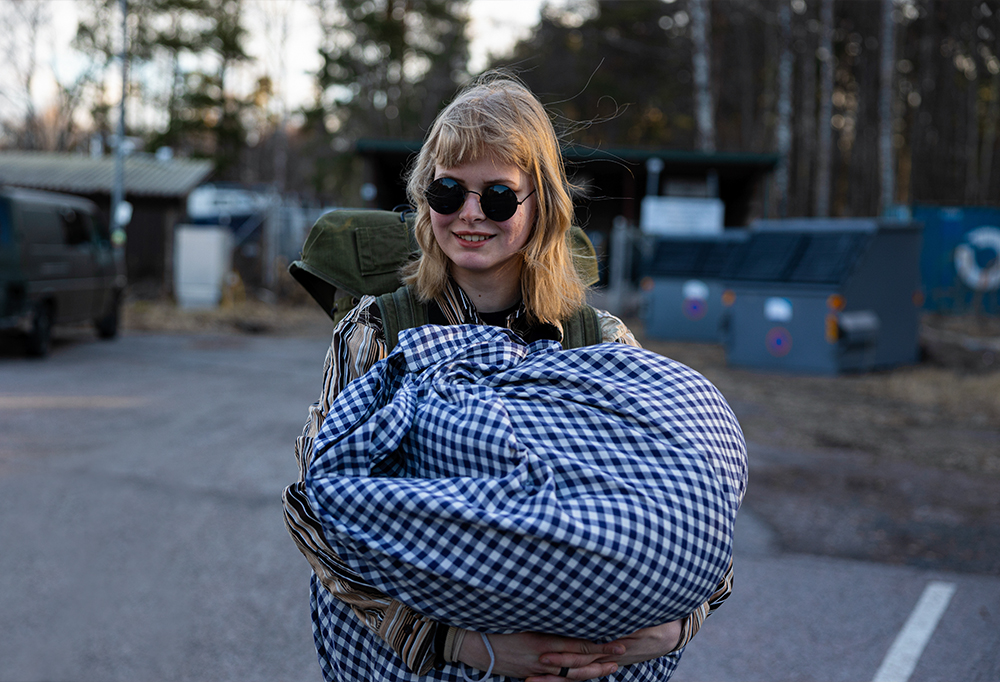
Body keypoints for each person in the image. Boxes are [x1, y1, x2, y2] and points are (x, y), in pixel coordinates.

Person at [282, 72, 735, 682]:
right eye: (448, 192)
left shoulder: (599, 341)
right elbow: (318, 512)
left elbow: (690, 503)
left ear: (540, 204)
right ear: (426, 199)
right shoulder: (379, 333)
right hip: (417, 662)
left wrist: (680, 623)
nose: (470, 215)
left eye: (497, 196)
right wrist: (465, 644)